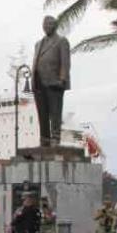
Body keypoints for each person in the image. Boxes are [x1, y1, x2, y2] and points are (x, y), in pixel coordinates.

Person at [31, 15, 71, 147]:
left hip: (54, 83)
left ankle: (55, 138)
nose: (45, 27)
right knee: (42, 113)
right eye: (44, 25)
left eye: (48, 24)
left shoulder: (61, 41)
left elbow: (65, 63)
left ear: (54, 26)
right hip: (38, 83)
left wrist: (62, 79)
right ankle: (44, 139)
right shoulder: (38, 44)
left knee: (55, 113)